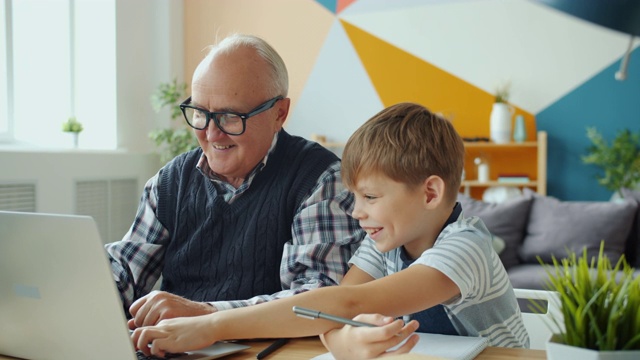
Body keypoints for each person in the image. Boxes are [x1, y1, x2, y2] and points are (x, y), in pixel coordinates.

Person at [131, 102, 530, 359]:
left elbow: (347, 307)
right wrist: (346, 343)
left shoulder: (465, 247)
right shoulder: (385, 242)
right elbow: (332, 308)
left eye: (370, 197)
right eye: (354, 197)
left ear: (430, 192)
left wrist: (211, 324)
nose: (356, 212)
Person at [105, 33, 364, 328]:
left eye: (229, 117)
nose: (211, 134)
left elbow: (317, 300)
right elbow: (123, 273)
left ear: (279, 113)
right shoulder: (169, 183)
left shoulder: (320, 180)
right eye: (200, 113)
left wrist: (205, 315)